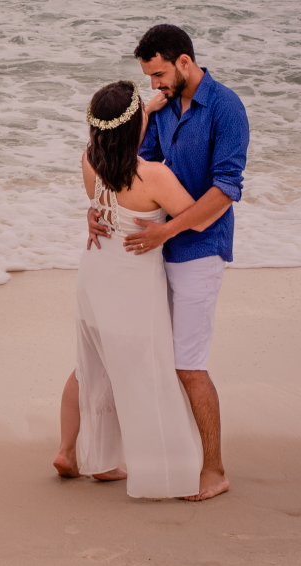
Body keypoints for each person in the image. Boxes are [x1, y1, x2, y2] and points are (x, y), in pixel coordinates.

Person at [86, 24, 249, 501]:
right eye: (148, 78)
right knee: (152, 356)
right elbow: (132, 167)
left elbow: (226, 191)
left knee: (188, 365)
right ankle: (168, 454)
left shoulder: (225, 108)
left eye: (158, 75)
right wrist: (97, 207)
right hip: (154, 253)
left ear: (183, 61)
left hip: (198, 251)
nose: (153, 86)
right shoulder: (163, 110)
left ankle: (214, 470)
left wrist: (167, 231)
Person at [54, 80, 228, 499]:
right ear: (136, 128)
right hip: (131, 285)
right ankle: (160, 469)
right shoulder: (153, 176)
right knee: (143, 372)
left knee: (90, 365)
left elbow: (101, 202)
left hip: (94, 276)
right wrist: (167, 229)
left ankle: (69, 453)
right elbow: (199, 217)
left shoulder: (89, 161)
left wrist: (147, 108)